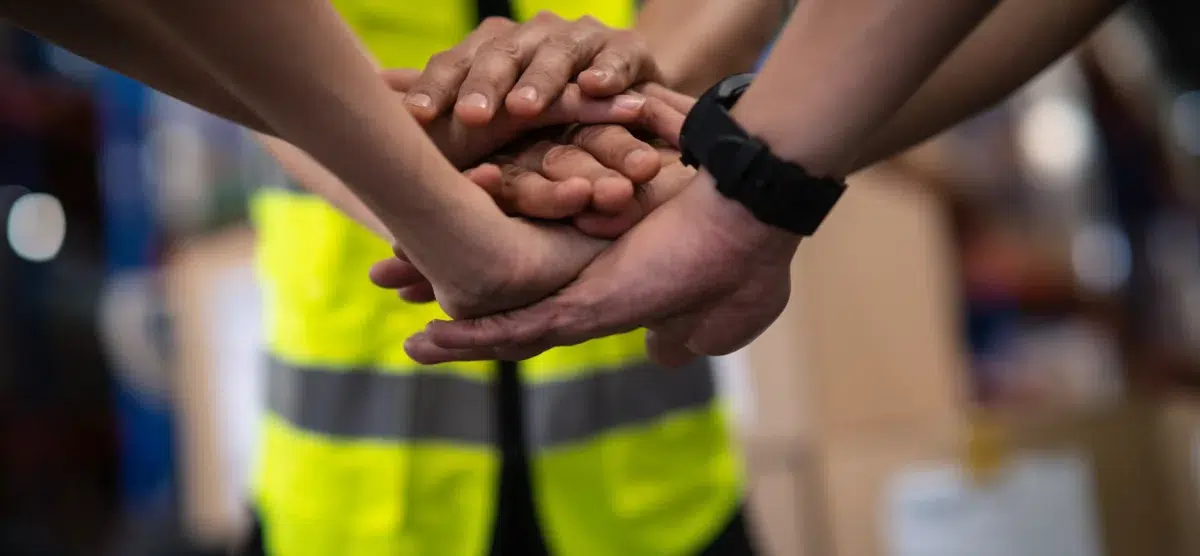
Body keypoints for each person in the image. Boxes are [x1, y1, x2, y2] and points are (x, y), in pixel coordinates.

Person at [244, 2, 782, 556]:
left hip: (646, 488)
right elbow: (233, 38)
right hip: (360, 492)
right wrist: (428, 192)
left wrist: (600, 100)